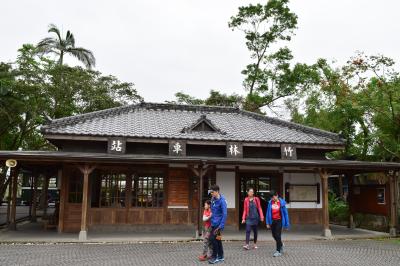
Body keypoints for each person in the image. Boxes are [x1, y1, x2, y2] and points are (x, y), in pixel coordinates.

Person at [265, 191, 290, 257]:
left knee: (278, 235)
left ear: (277, 195)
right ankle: (281, 244)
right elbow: (268, 213)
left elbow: (285, 214)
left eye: (273, 197)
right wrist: (267, 222)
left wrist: (287, 224)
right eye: (271, 198)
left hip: (279, 221)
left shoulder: (282, 203)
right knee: (274, 235)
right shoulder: (270, 203)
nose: (272, 199)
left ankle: (278, 251)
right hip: (272, 221)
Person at [208, 184, 227, 264]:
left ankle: (214, 257)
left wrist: (221, 226)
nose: (211, 194)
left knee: (212, 239)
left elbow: (225, 214)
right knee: (218, 240)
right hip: (213, 223)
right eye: (211, 192)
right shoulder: (213, 199)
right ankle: (221, 256)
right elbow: (212, 210)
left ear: (217, 191)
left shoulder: (222, 201)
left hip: (218, 225)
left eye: (212, 192)